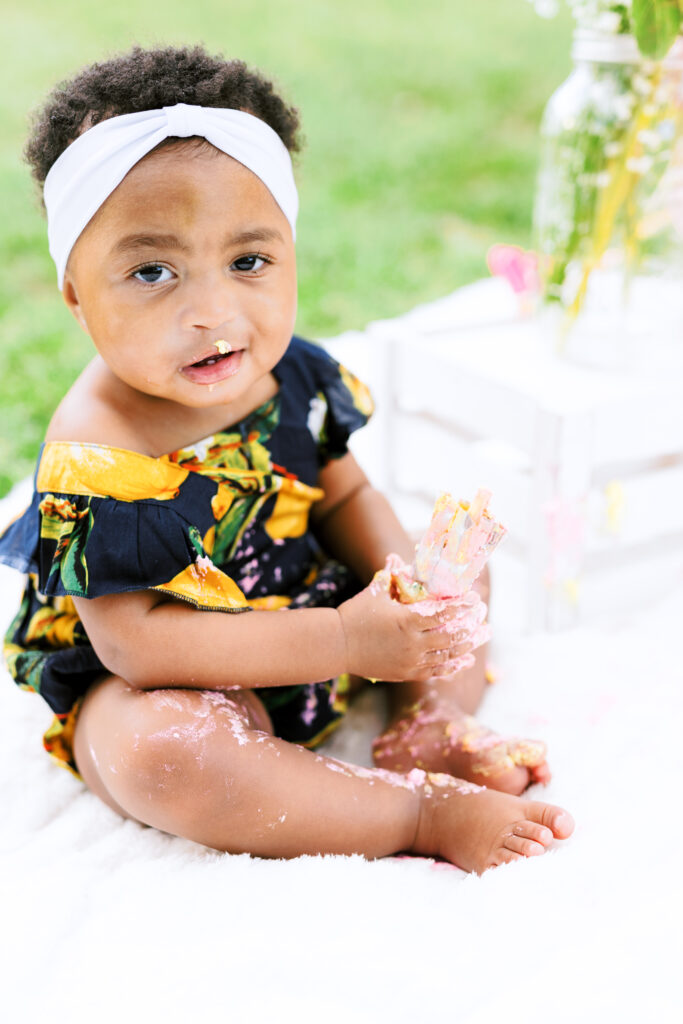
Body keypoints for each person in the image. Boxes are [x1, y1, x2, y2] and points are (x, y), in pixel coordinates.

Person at [0, 45, 573, 873]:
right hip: (185, 674)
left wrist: (405, 604)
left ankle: (433, 719)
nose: (213, 311)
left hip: (302, 604)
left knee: (452, 569)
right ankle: (410, 814)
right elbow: (139, 649)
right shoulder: (98, 450)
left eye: (248, 261)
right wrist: (344, 640)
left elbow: (342, 499)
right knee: (165, 752)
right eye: (153, 271)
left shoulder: (287, 370)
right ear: (77, 295)